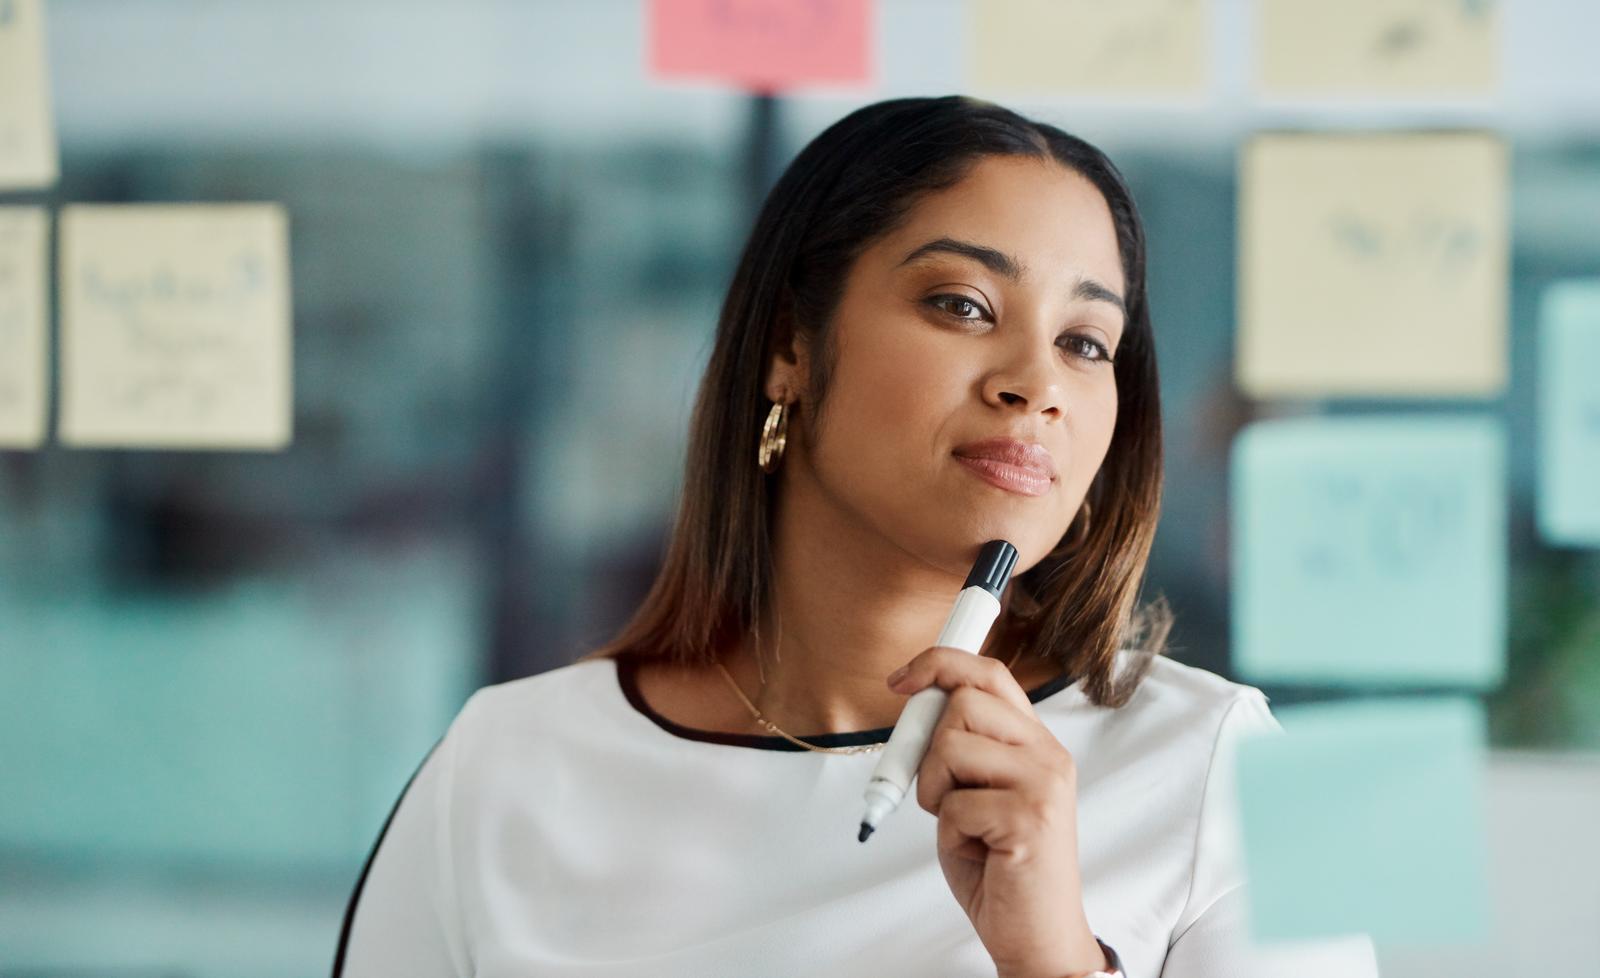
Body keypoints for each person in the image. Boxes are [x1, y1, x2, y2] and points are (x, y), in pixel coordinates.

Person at [333, 95, 1381, 977]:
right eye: (963, 305)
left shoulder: (1223, 774)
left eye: (1084, 340)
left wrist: (1054, 959)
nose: (1037, 383)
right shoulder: (507, 767)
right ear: (789, 344)